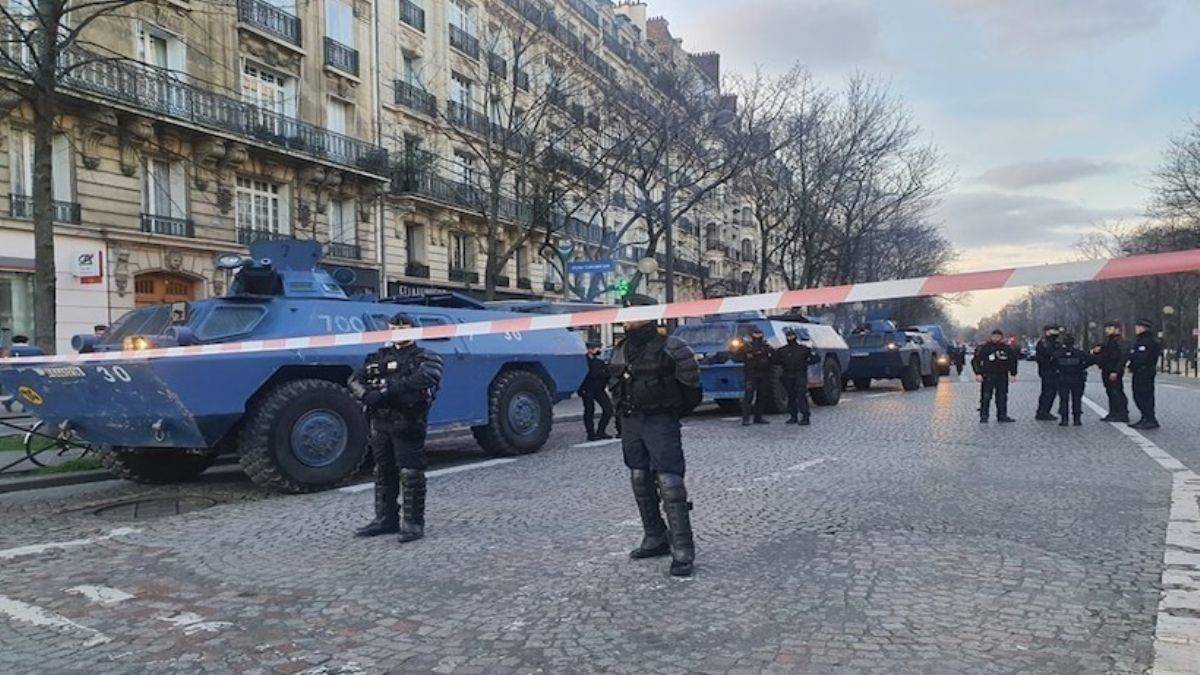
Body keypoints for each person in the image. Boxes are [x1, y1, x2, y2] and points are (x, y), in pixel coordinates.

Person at [608, 294, 703, 577]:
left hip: (660, 419)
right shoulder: (620, 349)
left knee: (670, 482)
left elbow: (692, 391)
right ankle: (655, 536)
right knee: (639, 477)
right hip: (631, 420)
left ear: (650, 314)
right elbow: (614, 385)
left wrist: (667, 413)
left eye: (633, 312)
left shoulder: (673, 347)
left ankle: (683, 548)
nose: (627, 318)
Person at [348, 313, 445, 543]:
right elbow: (354, 379)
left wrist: (389, 391)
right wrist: (367, 395)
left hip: (408, 420)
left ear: (413, 329)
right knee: (383, 471)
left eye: (404, 327)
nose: (399, 331)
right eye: (394, 327)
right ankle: (385, 519)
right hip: (380, 421)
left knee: (410, 472)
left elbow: (429, 376)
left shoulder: (424, 356)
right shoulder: (377, 357)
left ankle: (413, 523)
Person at [772, 327, 818, 425]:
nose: (790, 338)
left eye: (791, 336)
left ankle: (805, 417)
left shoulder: (803, 349)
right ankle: (793, 416)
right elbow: (775, 361)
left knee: (801, 396)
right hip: (788, 374)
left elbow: (816, 358)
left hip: (799, 374)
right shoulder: (783, 350)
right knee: (791, 396)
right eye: (788, 336)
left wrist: (806, 363)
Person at [972, 329, 1018, 423]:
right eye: (994, 336)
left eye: (998, 336)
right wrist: (978, 373)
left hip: (1002, 375)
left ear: (1001, 337)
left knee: (1002, 396)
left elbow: (1013, 361)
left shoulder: (1007, 348)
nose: (996, 338)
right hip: (988, 375)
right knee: (986, 396)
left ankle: (1002, 415)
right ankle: (984, 416)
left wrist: (1013, 374)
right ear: (991, 337)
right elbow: (975, 361)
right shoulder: (985, 347)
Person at [733, 326, 774, 426]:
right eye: (756, 334)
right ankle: (746, 418)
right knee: (748, 396)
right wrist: (747, 355)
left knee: (762, 396)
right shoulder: (746, 347)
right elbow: (736, 357)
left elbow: (774, 358)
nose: (758, 336)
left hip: (764, 373)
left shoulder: (766, 346)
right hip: (751, 374)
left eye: (759, 334)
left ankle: (758, 417)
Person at [1091, 320, 1129, 423]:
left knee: (1116, 391)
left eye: (1110, 328)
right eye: (1106, 328)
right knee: (1111, 391)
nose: (1107, 330)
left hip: (1113, 370)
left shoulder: (1119, 342)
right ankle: (1113, 412)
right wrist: (1096, 352)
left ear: (1117, 330)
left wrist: (1116, 371)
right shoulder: (1109, 341)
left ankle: (1121, 413)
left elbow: (1122, 357)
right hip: (1107, 369)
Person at [1127, 319, 1162, 430]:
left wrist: (1132, 365)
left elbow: (1141, 357)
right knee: (1143, 395)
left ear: (1142, 328)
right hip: (1144, 371)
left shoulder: (1145, 341)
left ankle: (1149, 418)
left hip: (1143, 371)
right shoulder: (1146, 340)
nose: (1135, 329)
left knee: (1142, 395)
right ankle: (1146, 417)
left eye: (1137, 327)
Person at [1051, 334, 1093, 426]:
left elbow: (1052, 364)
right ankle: (1077, 419)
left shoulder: (1058, 353)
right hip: (1077, 378)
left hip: (1062, 378)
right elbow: (1091, 359)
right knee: (1077, 399)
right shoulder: (1079, 353)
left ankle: (1064, 419)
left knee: (1063, 399)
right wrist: (1082, 367)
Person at [579, 341, 613, 441]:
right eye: (596, 348)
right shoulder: (582, 362)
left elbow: (606, 374)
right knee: (589, 412)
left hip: (599, 390)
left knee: (608, 410)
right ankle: (591, 434)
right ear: (589, 349)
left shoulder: (599, 362)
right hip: (587, 389)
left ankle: (601, 431)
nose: (598, 350)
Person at [1033, 325, 1062, 420]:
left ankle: (1045, 411)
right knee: (1047, 392)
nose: (1055, 333)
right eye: (1052, 331)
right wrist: (1051, 358)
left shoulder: (1056, 342)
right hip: (1047, 370)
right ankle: (1042, 411)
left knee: (1052, 392)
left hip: (1055, 370)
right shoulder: (1043, 343)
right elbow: (1042, 357)